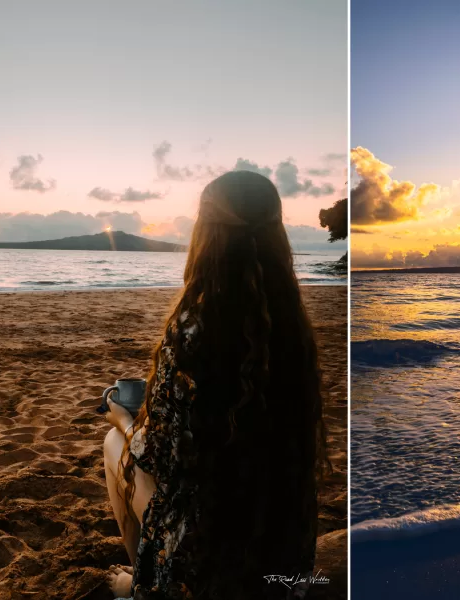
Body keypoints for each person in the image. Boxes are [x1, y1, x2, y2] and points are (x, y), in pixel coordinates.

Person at [102, 171, 328, 599]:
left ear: (206, 235)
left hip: (207, 562)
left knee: (115, 445)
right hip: (281, 558)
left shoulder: (193, 330)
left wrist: (123, 419)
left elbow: (158, 458)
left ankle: (145, 583)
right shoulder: (293, 330)